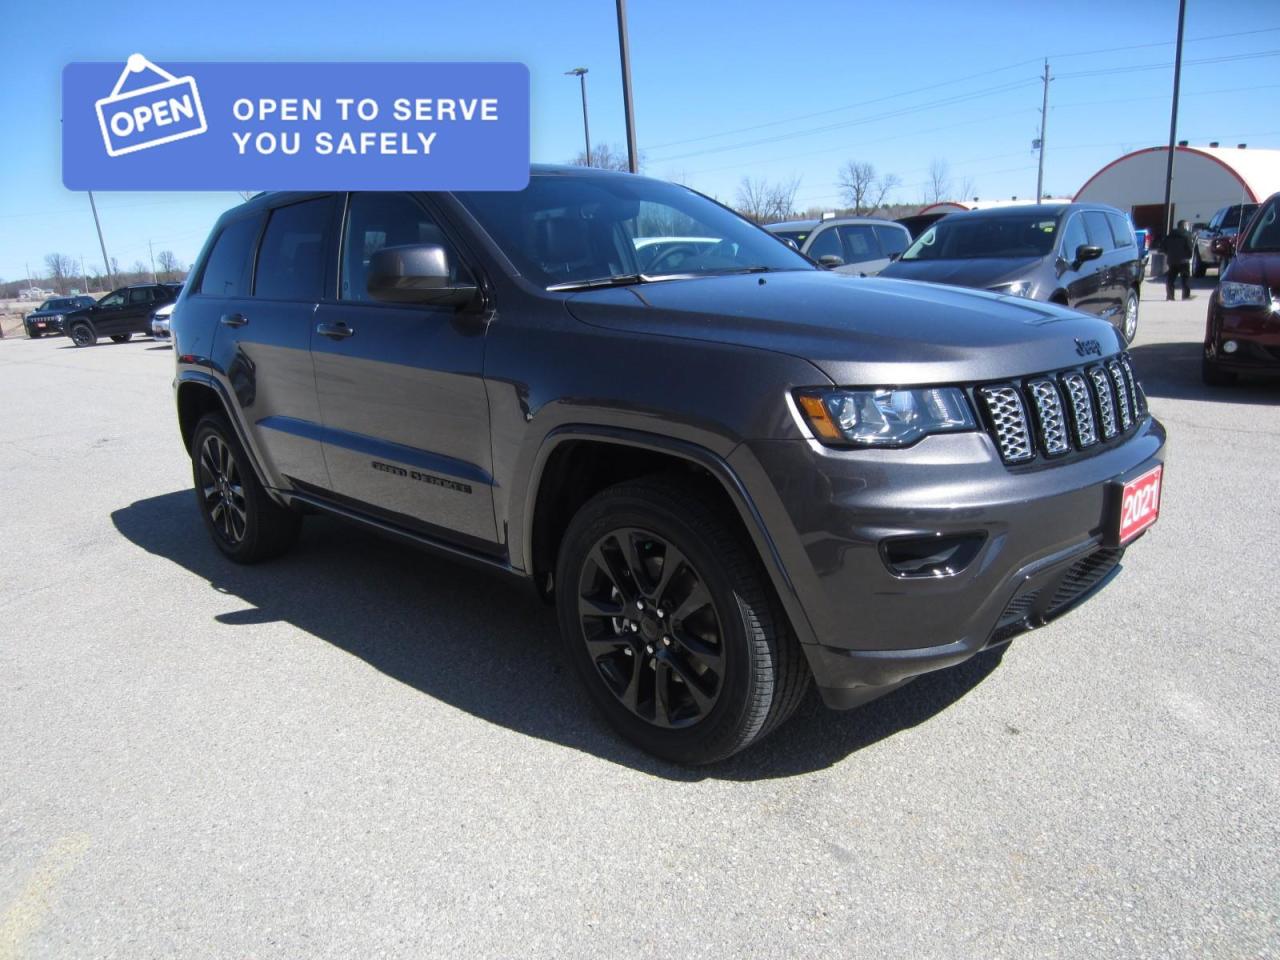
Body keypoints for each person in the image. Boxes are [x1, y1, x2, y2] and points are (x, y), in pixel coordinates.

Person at [1162, 219, 1195, 301]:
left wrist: (1169, 254)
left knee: (1171, 278)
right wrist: (1189, 256)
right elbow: (1189, 248)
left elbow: (1163, 247)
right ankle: (1186, 296)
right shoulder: (1187, 235)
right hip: (1184, 260)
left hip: (1172, 259)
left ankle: (1170, 296)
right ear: (1184, 226)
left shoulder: (1170, 235)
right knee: (1185, 279)